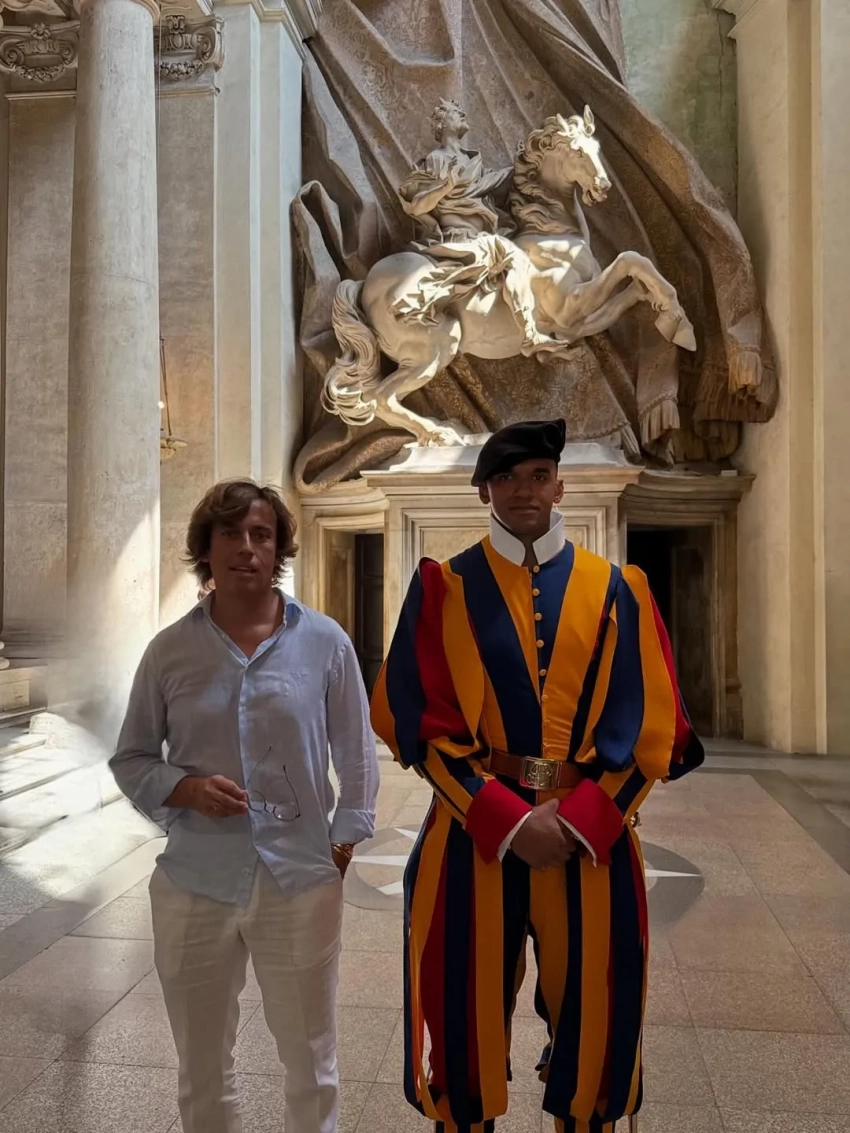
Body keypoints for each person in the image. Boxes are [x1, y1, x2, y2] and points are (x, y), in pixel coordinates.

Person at [371, 419, 704, 1133]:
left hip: (592, 838)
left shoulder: (617, 589)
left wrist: (583, 821)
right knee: (461, 1025)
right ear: (483, 490)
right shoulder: (443, 587)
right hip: (472, 833)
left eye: (538, 476)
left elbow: (651, 729)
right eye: (506, 477)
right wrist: (508, 820)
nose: (524, 490)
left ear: (559, 487)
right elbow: (418, 724)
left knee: (597, 1031)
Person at [110, 480, 379, 1133]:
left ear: (279, 548)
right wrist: (187, 788)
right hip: (194, 880)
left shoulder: (326, 642)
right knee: (202, 1067)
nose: (246, 547)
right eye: (230, 533)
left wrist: (341, 842)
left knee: (311, 1063)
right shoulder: (169, 651)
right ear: (205, 547)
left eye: (261, 534)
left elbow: (357, 754)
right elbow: (132, 757)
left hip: (300, 881)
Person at [395, 98, 556, 354]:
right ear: (441, 124)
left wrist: (523, 162)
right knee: (513, 255)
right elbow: (417, 207)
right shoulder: (437, 159)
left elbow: (494, 182)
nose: (461, 112)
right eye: (453, 111)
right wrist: (445, 186)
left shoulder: (472, 160)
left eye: (460, 110)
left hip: (483, 235)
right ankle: (530, 334)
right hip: (460, 239)